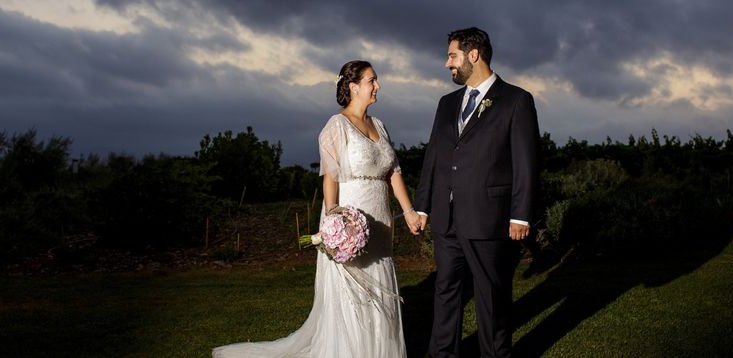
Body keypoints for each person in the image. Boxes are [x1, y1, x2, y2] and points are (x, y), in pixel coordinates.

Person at [213, 60, 421, 358]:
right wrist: (336, 221)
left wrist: (409, 211)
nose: (377, 86)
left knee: (381, 284)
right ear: (353, 87)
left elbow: (393, 172)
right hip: (352, 220)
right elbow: (330, 179)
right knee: (354, 296)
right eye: (372, 80)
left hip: (381, 220)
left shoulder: (380, 126)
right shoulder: (335, 126)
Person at [414, 27, 540, 358]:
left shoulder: (516, 100)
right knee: (445, 291)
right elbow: (434, 157)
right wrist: (423, 207)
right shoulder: (446, 103)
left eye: (452, 55)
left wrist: (520, 214)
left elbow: (526, 162)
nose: (447, 64)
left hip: (488, 218)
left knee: (491, 296)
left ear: (474, 55)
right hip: (446, 218)